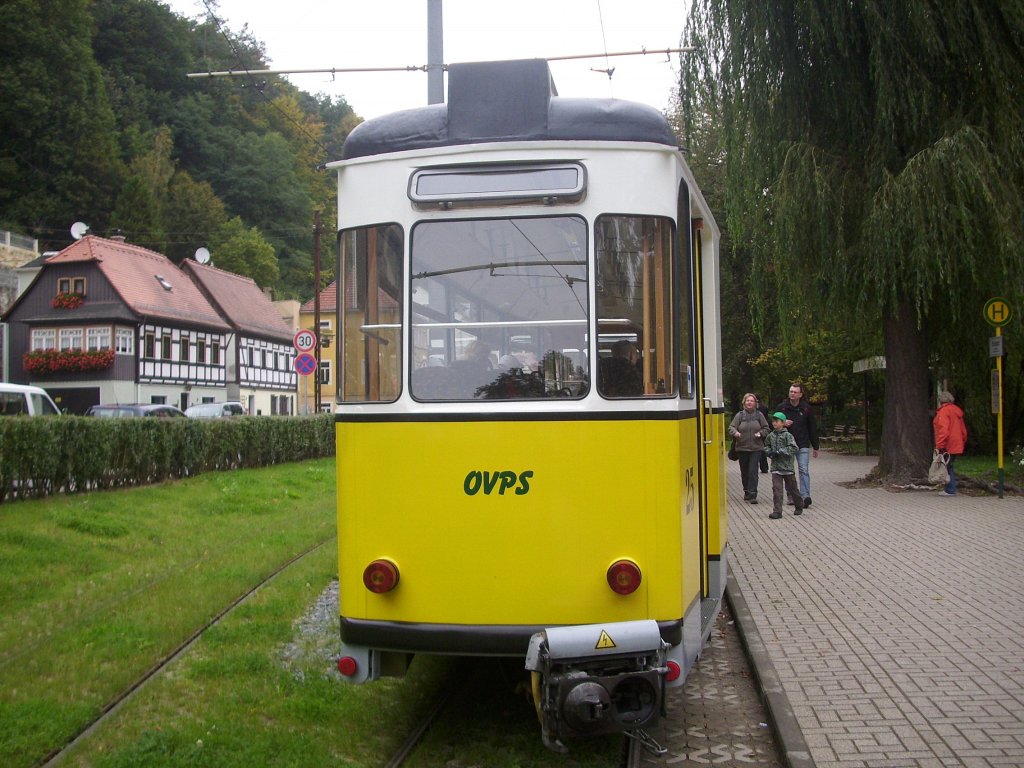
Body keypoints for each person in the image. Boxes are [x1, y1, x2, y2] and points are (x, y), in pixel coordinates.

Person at [775, 382, 819, 507]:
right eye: (791, 391)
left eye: (795, 392)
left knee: (803, 469)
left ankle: (805, 496)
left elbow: (812, 427)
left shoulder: (806, 408)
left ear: (800, 394)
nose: (792, 394)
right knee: (788, 471)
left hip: (802, 443)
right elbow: (773, 423)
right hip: (786, 444)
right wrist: (783, 423)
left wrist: (815, 446)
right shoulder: (782, 407)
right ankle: (791, 495)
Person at [729, 393, 770, 503]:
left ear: (755, 403)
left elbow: (766, 428)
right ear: (744, 403)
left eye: (752, 401)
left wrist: (761, 433)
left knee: (753, 470)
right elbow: (731, 427)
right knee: (745, 471)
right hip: (742, 448)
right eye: (747, 401)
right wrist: (735, 432)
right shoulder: (739, 415)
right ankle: (747, 491)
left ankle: (752, 494)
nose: (749, 402)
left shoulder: (759, 415)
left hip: (756, 448)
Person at [764, 412, 804, 519]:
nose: (774, 423)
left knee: (793, 489)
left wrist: (779, 452)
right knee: (777, 490)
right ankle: (777, 511)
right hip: (776, 468)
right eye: (773, 421)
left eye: (777, 421)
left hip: (787, 468)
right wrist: (769, 452)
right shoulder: (771, 436)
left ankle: (799, 505)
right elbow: (766, 446)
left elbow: (794, 448)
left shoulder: (788, 435)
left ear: (783, 423)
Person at [933, 390, 968, 496]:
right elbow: (963, 430)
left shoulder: (943, 412)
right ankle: (950, 488)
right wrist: (962, 441)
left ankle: (950, 489)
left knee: (946, 466)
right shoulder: (957, 411)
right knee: (949, 465)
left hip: (947, 443)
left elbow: (943, 430)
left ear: (940, 401)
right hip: (957, 442)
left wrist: (939, 445)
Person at [756, 395, 771, 473]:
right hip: (763, 430)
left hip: (757, 430)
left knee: (758, 449)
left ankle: (758, 466)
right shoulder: (764, 407)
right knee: (762, 449)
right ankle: (764, 467)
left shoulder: (756, 409)